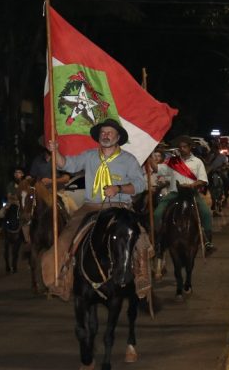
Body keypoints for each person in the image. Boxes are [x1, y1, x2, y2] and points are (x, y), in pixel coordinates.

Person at [42, 119, 150, 297]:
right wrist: (55, 152)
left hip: (119, 206)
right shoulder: (89, 155)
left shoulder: (128, 160)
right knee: (65, 238)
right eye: (103, 132)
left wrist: (119, 188)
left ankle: (141, 278)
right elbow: (67, 164)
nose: (105, 135)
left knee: (139, 237)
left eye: (110, 132)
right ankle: (60, 279)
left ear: (118, 137)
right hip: (90, 206)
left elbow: (140, 184)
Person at [153, 135, 215, 253]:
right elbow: (157, 169)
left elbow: (203, 180)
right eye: (180, 147)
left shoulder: (197, 162)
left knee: (206, 213)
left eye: (184, 147)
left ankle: (208, 242)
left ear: (190, 147)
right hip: (174, 193)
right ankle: (158, 240)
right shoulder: (173, 161)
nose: (182, 149)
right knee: (157, 214)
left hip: (191, 193)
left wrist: (192, 185)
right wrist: (149, 158)